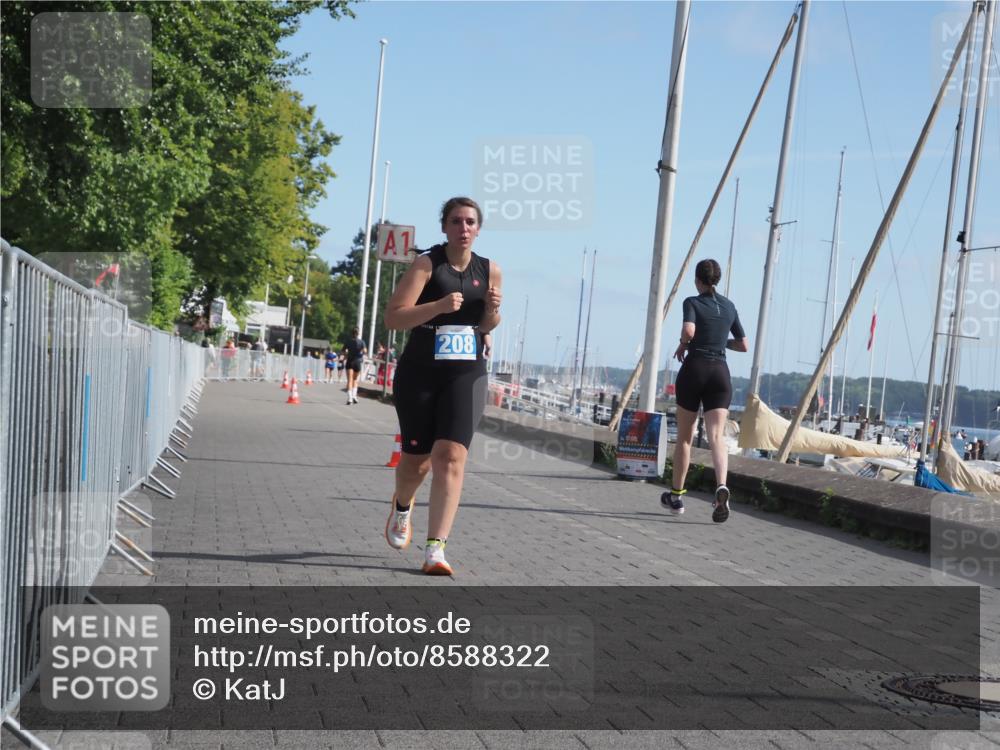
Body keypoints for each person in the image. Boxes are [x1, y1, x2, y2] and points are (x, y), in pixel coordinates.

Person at [381, 196, 502, 575]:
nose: (463, 228)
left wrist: (493, 310)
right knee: (416, 463)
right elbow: (394, 319)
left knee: (450, 456)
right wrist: (436, 307)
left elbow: (486, 327)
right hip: (420, 369)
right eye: (456, 221)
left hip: (466, 372)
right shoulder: (426, 264)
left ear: (478, 229)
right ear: (444, 227)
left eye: (470, 222)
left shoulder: (490, 270)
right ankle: (402, 506)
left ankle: (436, 549)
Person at [662, 259, 748, 523]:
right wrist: (722, 341)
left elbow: (689, 329)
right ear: (717, 280)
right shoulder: (730, 306)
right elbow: (743, 344)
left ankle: (676, 497)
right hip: (720, 372)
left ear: (698, 280)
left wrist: (683, 343)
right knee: (717, 437)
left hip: (696, 368)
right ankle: (721, 485)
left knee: (685, 438)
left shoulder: (693, 302)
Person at [341, 327, 367, 404]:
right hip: (358, 362)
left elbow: (342, 351)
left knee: (350, 380)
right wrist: (360, 353)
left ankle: (350, 399)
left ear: (351, 333)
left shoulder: (348, 341)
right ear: (358, 333)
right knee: (355, 380)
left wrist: (347, 354)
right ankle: (354, 396)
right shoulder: (362, 342)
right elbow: (365, 351)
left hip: (350, 361)